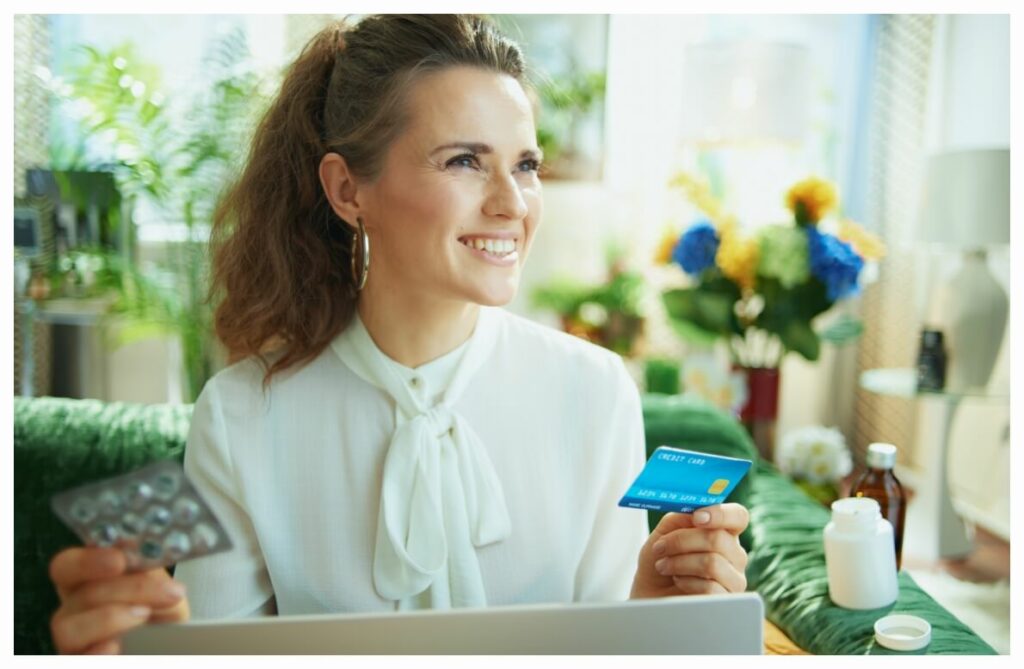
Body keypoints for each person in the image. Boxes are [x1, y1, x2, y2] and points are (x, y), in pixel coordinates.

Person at [48, 14, 750, 654]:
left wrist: (657, 612)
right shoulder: (241, 416)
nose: (512, 203)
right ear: (348, 190)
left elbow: (608, 650)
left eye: (526, 164)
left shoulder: (595, 393)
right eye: (464, 160)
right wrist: (151, 650)